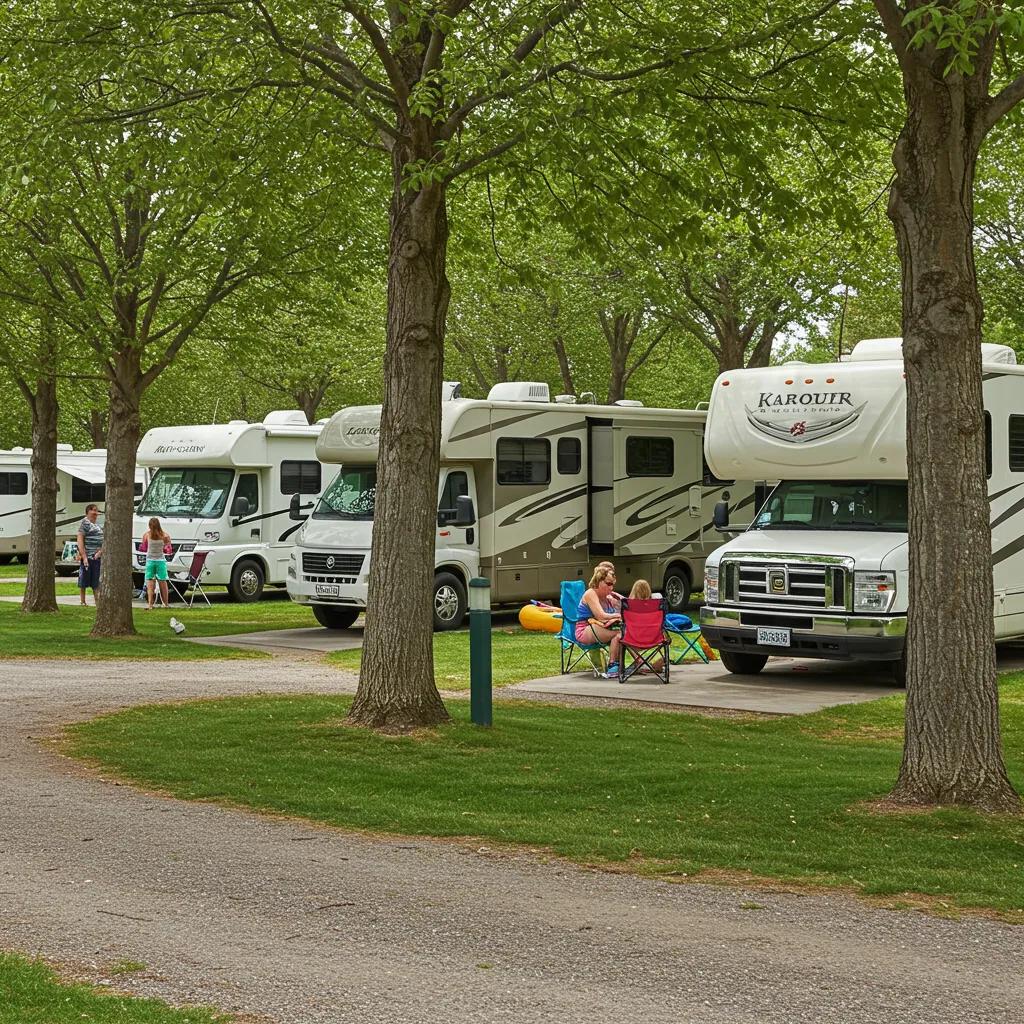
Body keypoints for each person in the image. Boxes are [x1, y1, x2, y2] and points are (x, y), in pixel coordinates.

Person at [577, 565, 622, 678]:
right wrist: (619, 615)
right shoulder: (590, 593)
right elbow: (601, 616)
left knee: (625, 633)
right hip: (585, 629)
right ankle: (612, 665)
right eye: (608, 584)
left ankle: (634, 663)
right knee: (618, 635)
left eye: (612, 584)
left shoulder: (608, 596)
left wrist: (619, 605)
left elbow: (628, 603)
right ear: (599, 581)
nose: (611, 588)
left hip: (601, 627)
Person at [141, 517, 172, 610]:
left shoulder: (146, 535)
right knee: (163, 582)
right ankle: (165, 603)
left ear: (149, 526)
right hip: (160, 561)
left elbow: (143, 547)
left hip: (150, 561)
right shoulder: (165, 536)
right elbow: (168, 550)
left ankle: (150, 604)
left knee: (150, 582)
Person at [76, 503, 103, 607]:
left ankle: (98, 602)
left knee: (96, 581)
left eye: (97, 510)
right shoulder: (85, 523)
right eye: (94, 510)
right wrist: (84, 557)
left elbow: (104, 539)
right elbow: (80, 539)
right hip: (88, 557)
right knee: (84, 580)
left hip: (97, 557)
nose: (96, 513)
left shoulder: (97, 525)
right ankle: (83, 601)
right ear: (88, 512)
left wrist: (100, 551)